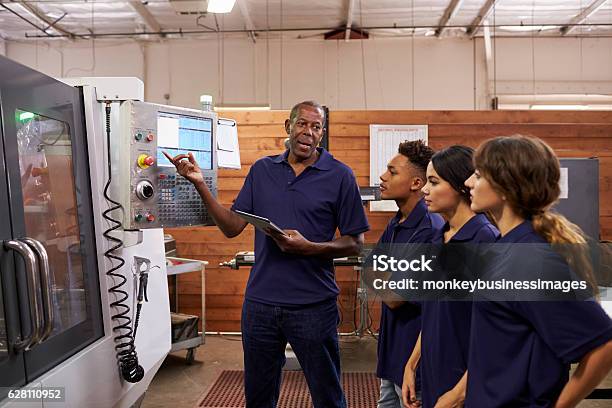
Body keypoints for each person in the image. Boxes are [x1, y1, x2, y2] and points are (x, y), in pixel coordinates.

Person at [163, 100, 369, 408]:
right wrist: (200, 184)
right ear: (288, 127)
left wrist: (310, 248)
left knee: (328, 396)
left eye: (316, 127)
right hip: (261, 306)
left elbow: (355, 242)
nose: (308, 132)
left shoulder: (340, 176)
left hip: (314, 307)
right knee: (258, 397)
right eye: (302, 124)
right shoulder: (262, 170)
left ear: (322, 133)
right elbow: (232, 226)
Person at [464, 135, 612, 407]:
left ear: (506, 186)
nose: (468, 183)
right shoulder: (507, 246)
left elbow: (603, 346)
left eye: (477, 175)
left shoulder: (531, 260)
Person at [401, 146, 499, 408]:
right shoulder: (438, 237)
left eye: (433, 182)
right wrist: (411, 365)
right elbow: (434, 313)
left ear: (460, 186)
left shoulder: (484, 239)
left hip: (467, 378)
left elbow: (495, 333)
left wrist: (460, 393)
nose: (424, 189)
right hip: (436, 370)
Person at [373, 140, 443, 408]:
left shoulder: (430, 229)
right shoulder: (397, 222)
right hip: (392, 353)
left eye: (392, 172)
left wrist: (384, 277)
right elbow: (370, 273)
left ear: (416, 183)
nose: (383, 176)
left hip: (416, 357)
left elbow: (393, 297)